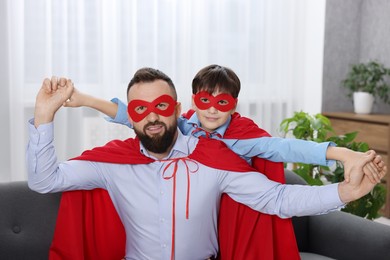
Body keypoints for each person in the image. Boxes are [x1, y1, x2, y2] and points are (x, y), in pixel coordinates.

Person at [27, 68, 386, 260]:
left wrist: (345, 191)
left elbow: (277, 198)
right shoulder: (111, 164)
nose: (152, 116)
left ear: (179, 109)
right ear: (132, 118)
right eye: (140, 109)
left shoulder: (215, 159)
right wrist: (45, 113)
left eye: (162, 106)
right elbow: (45, 180)